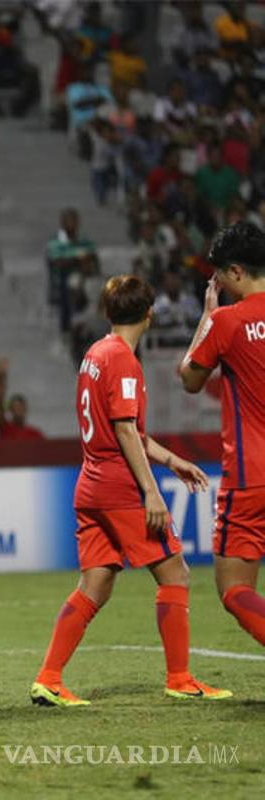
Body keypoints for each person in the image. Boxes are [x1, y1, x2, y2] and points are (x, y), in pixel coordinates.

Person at [31, 276, 228, 707]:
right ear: (150, 313)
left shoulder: (95, 354)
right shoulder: (123, 361)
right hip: (119, 487)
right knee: (175, 573)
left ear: (107, 312)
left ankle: (48, 678)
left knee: (96, 583)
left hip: (90, 483)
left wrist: (172, 460)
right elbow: (123, 430)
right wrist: (151, 492)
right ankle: (180, 678)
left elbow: (127, 430)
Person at [180, 222, 265, 652]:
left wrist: (207, 315)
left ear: (236, 271)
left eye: (219, 276)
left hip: (251, 476)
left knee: (234, 590)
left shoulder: (228, 321)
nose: (219, 285)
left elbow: (190, 379)